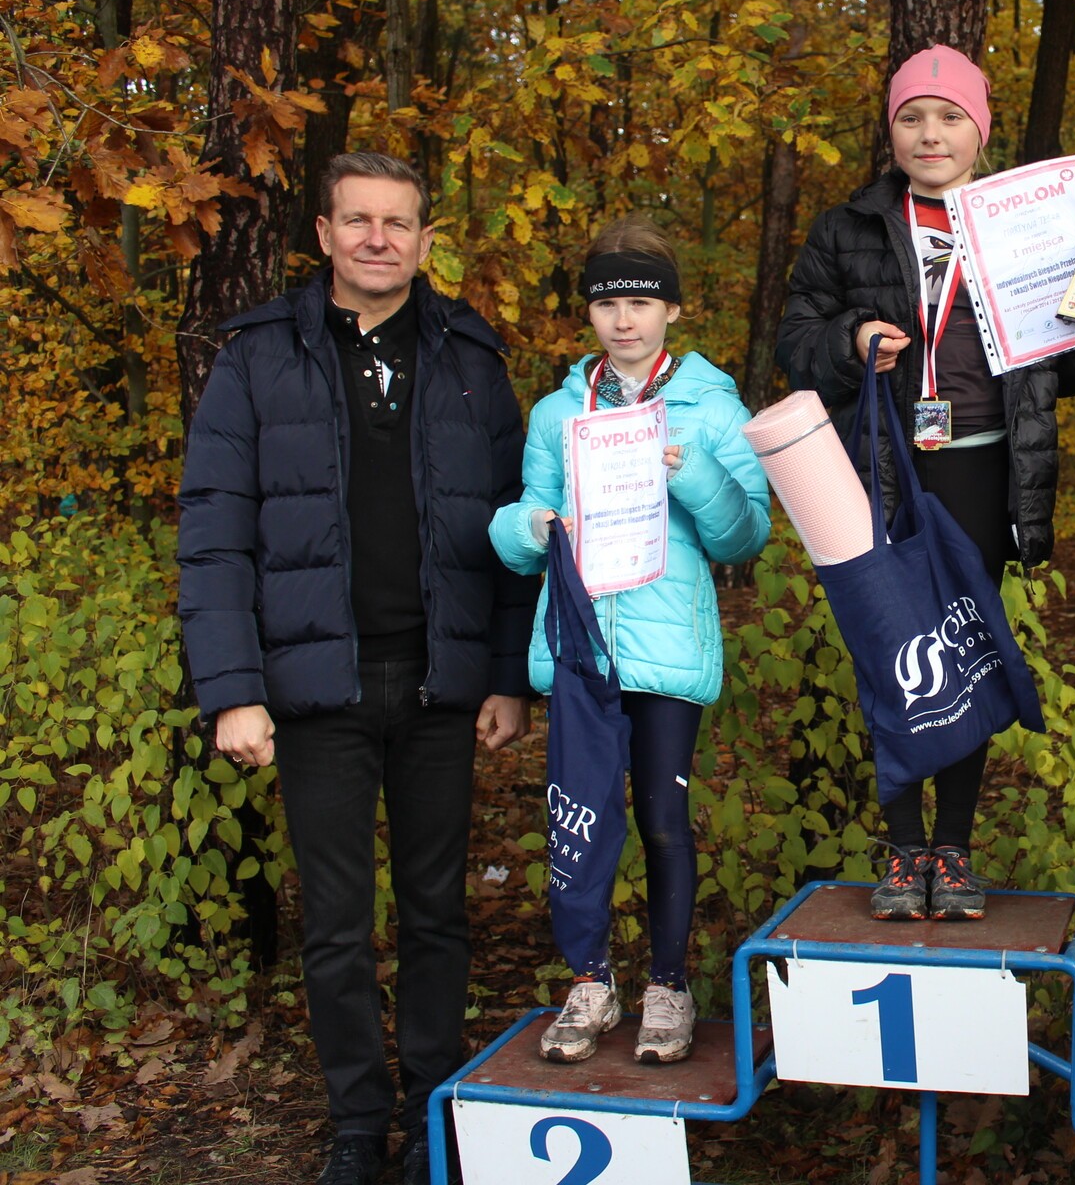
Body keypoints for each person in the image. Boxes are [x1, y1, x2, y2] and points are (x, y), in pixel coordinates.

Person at [178, 152, 537, 1185]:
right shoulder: (257, 357)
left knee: (436, 913)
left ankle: (431, 1111)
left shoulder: (471, 356)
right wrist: (233, 690)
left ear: (425, 239)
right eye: (359, 220)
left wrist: (506, 674)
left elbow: (516, 529)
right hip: (314, 689)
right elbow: (214, 532)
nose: (379, 238)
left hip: (439, 683)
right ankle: (354, 1120)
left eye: (399, 222)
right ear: (325, 234)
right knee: (335, 923)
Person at [775, 45, 1075, 921]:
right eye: (911, 117)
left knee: (963, 650)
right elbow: (793, 340)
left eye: (950, 117)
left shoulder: (1033, 221)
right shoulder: (847, 227)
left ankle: (954, 846)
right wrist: (850, 341)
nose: (930, 134)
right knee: (891, 649)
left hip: (982, 466)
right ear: (891, 130)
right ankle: (904, 850)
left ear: (981, 129)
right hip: (879, 465)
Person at [490, 215, 770, 1067]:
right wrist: (532, 526)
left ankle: (668, 986)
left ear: (672, 311)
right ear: (589, 312)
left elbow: (745, 536)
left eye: (642, 303)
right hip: (581, 647)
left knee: (662, 819)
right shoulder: (556, 412)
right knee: (581, 818)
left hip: (665, 651)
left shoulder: (712, 409)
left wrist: (693, 472)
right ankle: (590, 980)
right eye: (607, 303)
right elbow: (518, 520)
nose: (624, 320)